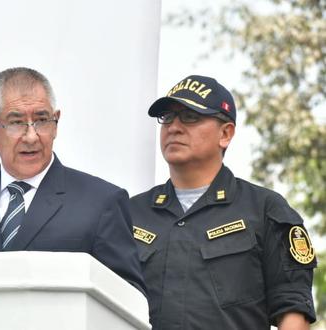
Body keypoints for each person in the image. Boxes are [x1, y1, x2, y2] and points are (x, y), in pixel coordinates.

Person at [0, 67, 146, 295]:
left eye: (42, 120)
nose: (32, 136)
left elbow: (130, 299)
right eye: (16, 122)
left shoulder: (101, 203)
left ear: (56, 123)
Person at [129, 74, 316, 329]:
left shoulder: (264, 209)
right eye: (167, 118)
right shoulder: (131, 212)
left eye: (190, 117)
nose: (174, 127)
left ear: (225, 133)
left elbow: (292, 307)